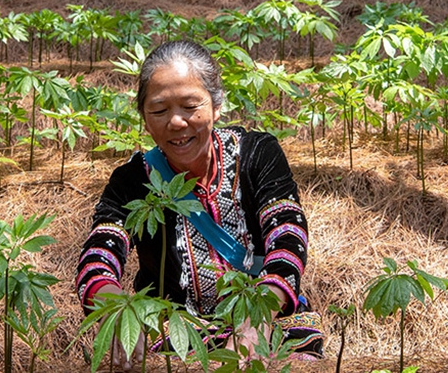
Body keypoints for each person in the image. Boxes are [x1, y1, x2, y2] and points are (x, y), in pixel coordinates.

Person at [75, 40, 323, 370]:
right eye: (159, 111)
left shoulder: (258, 155)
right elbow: (98, 255)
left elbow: (288, 238)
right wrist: (121, 312)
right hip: (175, 333)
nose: (176, 123)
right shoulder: (131, 180)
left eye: (190, 106)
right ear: (144, 119)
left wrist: (256, 321)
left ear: (216, 106)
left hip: (269, 319)